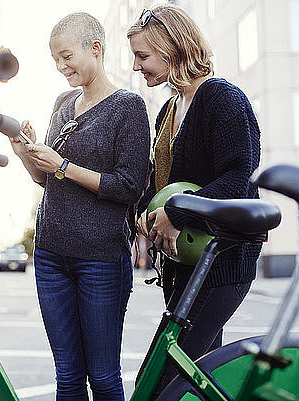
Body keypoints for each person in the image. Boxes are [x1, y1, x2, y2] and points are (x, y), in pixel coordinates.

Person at [11, 12, 150, 401]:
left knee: (103, 377)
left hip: (101, 261)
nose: (60, 66)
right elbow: (47, 178)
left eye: (66, 56)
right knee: (68, 376)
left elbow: (128, 187)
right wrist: (26, 155)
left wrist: (64, 166)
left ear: (96, 48)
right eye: (55, 58)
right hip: (51, 255)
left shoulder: (128, 107)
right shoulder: (62, 102)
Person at [127, 3, 262, 397]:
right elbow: (164, 181)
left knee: (157, 383)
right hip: (184, 265)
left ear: (172, 48)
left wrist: (176, 213)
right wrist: (147, 212)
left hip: (222, 263)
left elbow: (241, 179)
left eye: (143, 56)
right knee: (196, 382)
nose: (137, 66)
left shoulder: (222, 99)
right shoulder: (168, 110)